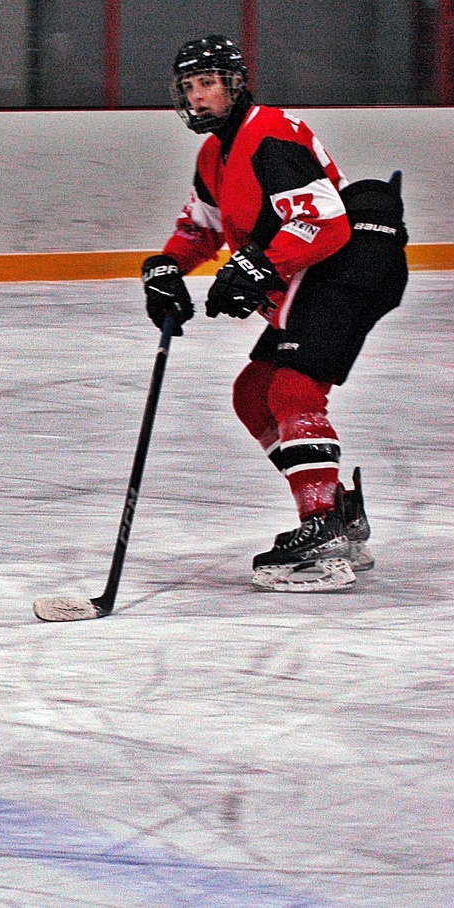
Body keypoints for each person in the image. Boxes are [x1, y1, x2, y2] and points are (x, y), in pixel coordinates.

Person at [141, 35, 407, 592]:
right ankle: (336, 511)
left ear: (236, 84)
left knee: (293, 389)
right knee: (252, 394)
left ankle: (321, 530)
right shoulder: (214, 155)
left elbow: (325, 224)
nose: (197, 97)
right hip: (316, 272)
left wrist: (258, 266)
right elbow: (201, 229)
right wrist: (166, 266)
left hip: (347, 263)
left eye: (208, 83)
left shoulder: (271, 136)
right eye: (189, 87)